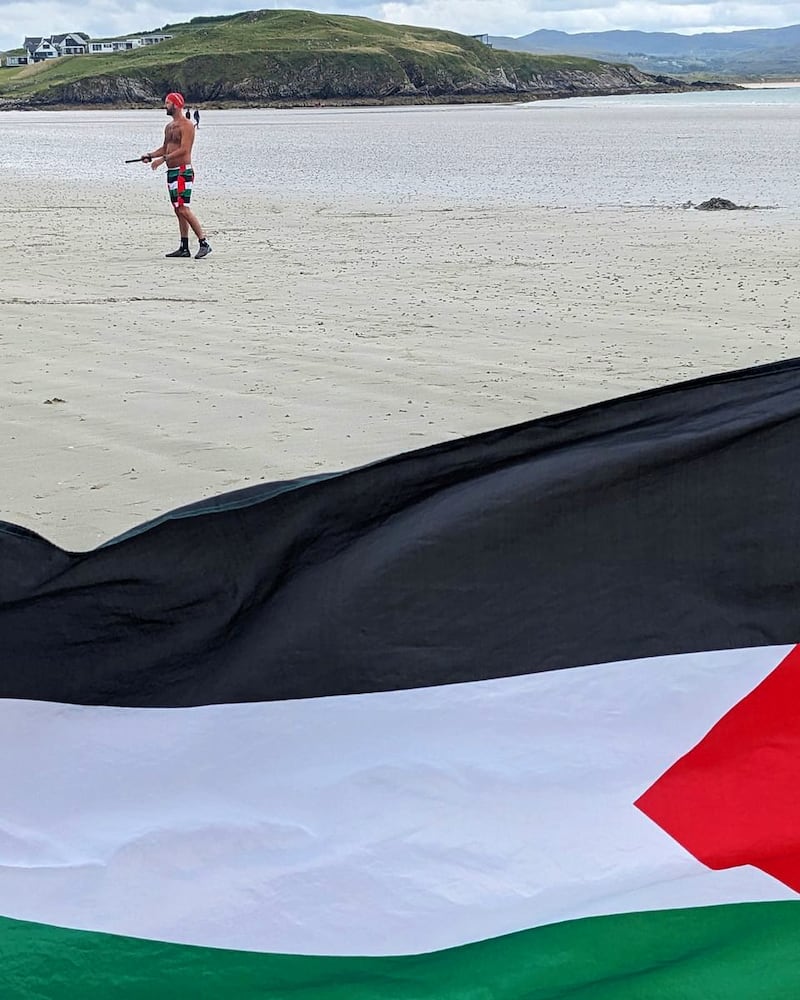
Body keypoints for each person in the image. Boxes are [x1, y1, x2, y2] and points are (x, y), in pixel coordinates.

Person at [140, 92, 212, 259]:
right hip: (172, 172)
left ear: (176, 105)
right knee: (177, 209)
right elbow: (166, 148)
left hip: (183, 171)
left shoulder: (186, 126)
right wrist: (151, 155)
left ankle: (203, 242)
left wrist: (162, 160)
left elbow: (184, 150)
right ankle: (184, 246)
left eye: (168, 103)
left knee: (183, 208)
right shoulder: (169, 127)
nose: (165, 106)